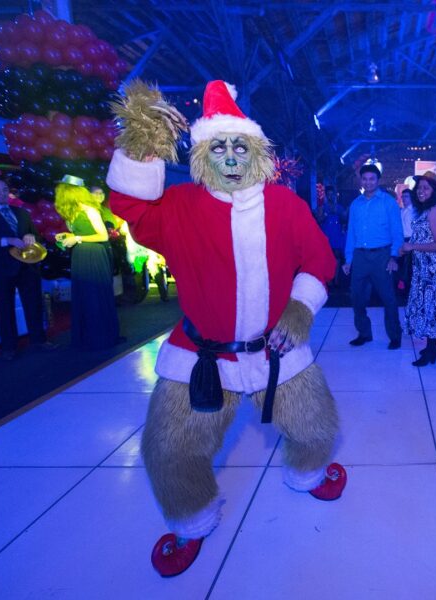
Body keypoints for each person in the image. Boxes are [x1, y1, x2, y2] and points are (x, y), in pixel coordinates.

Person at [107, 80, 345, 577]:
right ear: (201, 154)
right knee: (169, 451)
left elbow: (320, 261)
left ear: (257, 153)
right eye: (219, 147)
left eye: (241, 146)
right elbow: (131, 209)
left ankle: (307, 475)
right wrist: (143, 148)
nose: (232, 157)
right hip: (200, 356)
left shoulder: (285, 205)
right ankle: (192, 520)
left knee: (316, 425)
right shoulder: (179, 206)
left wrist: (300, 308)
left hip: (277, 351)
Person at [0, 176, 53, 360]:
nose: (1, 193)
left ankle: (39, 340)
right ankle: (9, 348)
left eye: (4, 189)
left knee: (34, 303)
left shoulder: (21, 212)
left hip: (27, 266)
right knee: (5, 308)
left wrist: (32, 237)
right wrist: (5, 240)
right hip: (1, 267)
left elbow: (37, 236)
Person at [54, 176, 121, 350]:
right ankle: (88, 337)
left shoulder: (89, 210)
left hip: (94, 254)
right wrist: (67, 236)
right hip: (80, 255)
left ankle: (103, 337)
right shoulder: (72, 212)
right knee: (84, 295)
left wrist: (76, 238)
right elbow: (79, 234)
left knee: (95, 294)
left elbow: (103, 236)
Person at [342, 164, 403, 349]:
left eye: (372, 179)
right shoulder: (356, 204)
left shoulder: (388, 202)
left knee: (388, 298)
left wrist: (393, 257)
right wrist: (348, 259)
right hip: (360, 256)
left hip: (382, 256)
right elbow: (351, 233)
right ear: (361, 181)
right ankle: (364, 333)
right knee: (357, 297)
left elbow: (397, 232)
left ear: (378, 180)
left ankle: (395, 336)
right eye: (365, 179)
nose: (368, 182)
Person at [401, 173, 436, 366]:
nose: (421, 191)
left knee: (432, 308)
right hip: (424, 267)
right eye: (419, 187)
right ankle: (433, 344)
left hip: (435, 268)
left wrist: (412, 246)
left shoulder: (435, 210)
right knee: (427, 307)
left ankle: (431, 350)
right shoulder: (425, 209)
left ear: (435, 191)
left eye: (426, 188)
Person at [317, 186, 345, 287]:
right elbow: (319, 220)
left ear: (335, 195)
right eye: (328, 194)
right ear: (326, 195)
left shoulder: (339, 207)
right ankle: (328, 280)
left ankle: (336, 280)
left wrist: (340, 214)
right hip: (326, 235)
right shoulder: (322, 207)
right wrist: (325, 214)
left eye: (332, 194)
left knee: (337, 258)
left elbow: (345, 219)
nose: (330, 196)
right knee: (327, 258)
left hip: (337, 235)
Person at [398, 188, 414, 294]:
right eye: (402, 197)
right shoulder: (402, 210)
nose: (404, 199)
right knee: (402, 263)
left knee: (408, 265)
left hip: (410, 239)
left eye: (406, 196)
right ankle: (403, 286)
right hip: (401, 239)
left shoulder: (414, 211)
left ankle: (406, 288)